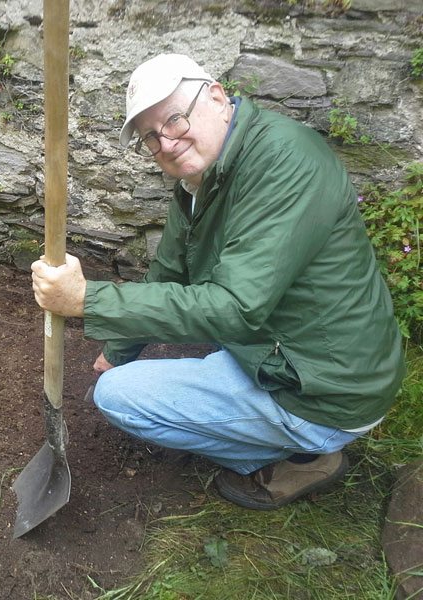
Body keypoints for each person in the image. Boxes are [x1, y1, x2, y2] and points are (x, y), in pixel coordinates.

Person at [31, 54, 405, 510]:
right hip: (288, 349)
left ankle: (302, 457)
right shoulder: (200, 180)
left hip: (327, 389)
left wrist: (88, 298)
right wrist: (118, 349)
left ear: (216, 96)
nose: (165, 142)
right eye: (150, 136)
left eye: (174, 119)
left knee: (119, 398)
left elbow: (235, 307)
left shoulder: (285, 162)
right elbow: (170, 272)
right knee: (124, 373)